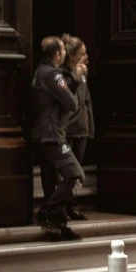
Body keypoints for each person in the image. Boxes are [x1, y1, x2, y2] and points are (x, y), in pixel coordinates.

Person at [31, 36, 86, 241]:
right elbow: (72, 103)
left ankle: (58, 225)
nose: (64, 52)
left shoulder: (40, 71)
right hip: (52, 136)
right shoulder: (53, 75)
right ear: (57, 54)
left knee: (50, 182)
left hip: (43, 135)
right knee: (75, 176)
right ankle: (46, 212)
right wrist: (77, 79)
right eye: (63, 49)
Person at [60, 33, 95, 221]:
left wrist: (90, 126)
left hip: (81, 127)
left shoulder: (83, 73)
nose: (87, 57)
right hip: (67, 129)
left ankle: (72, 205)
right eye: (82, 54)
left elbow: (87, 99)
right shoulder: (62, 74)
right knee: (67, 172)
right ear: (71, 56)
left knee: (77, 172)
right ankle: (61, 207)